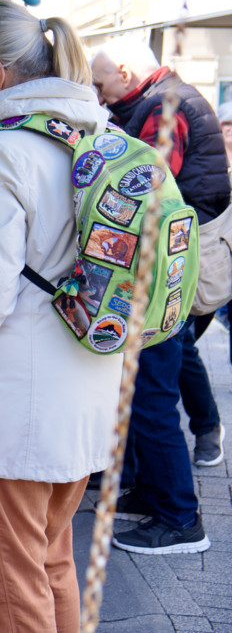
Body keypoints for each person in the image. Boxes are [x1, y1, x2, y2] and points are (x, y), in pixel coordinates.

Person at [0, 0, 123, 633]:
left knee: (13, 586)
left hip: (16, 405)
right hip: (83, 389)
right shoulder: (92, 133)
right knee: (51, 564)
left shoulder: (3, 147)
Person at [91, 38, 228, 551]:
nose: (99, 95)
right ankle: (152, 493)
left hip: (165, 272)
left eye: (101, 84)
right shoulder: (162, 101)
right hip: (167, 268)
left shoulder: (166, 106)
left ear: (125, 72)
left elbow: (146, 190)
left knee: (151, 394)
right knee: (146, 389)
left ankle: (179, 517)